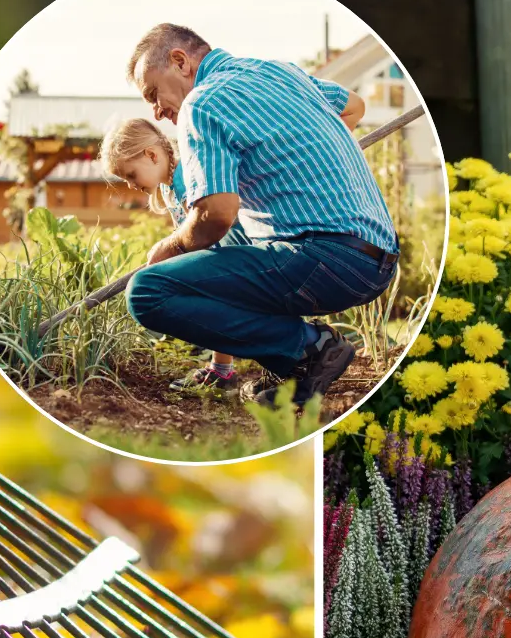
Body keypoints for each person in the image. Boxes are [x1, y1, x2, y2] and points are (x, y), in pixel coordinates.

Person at [123, 22, 400, 407]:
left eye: (152, 92)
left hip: (325, 259)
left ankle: (309, 349)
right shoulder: (281, 71)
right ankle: (295, 365)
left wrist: (167, 250)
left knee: (149, 291)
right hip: (379, 259)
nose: (155, 108)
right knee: (237, 252)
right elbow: (354, 104)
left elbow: (215, 215)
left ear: (180, 61)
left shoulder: (202, 104)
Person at [99, 117, 248, 396]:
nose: (131, 185)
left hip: (235, 249)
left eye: (131, 175)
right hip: (219, 253)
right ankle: (222, 369)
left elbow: (208, 228)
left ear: (152, 155)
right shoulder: (169, 186)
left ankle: (225, 368)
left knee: (212, 298)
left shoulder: (186, 179)